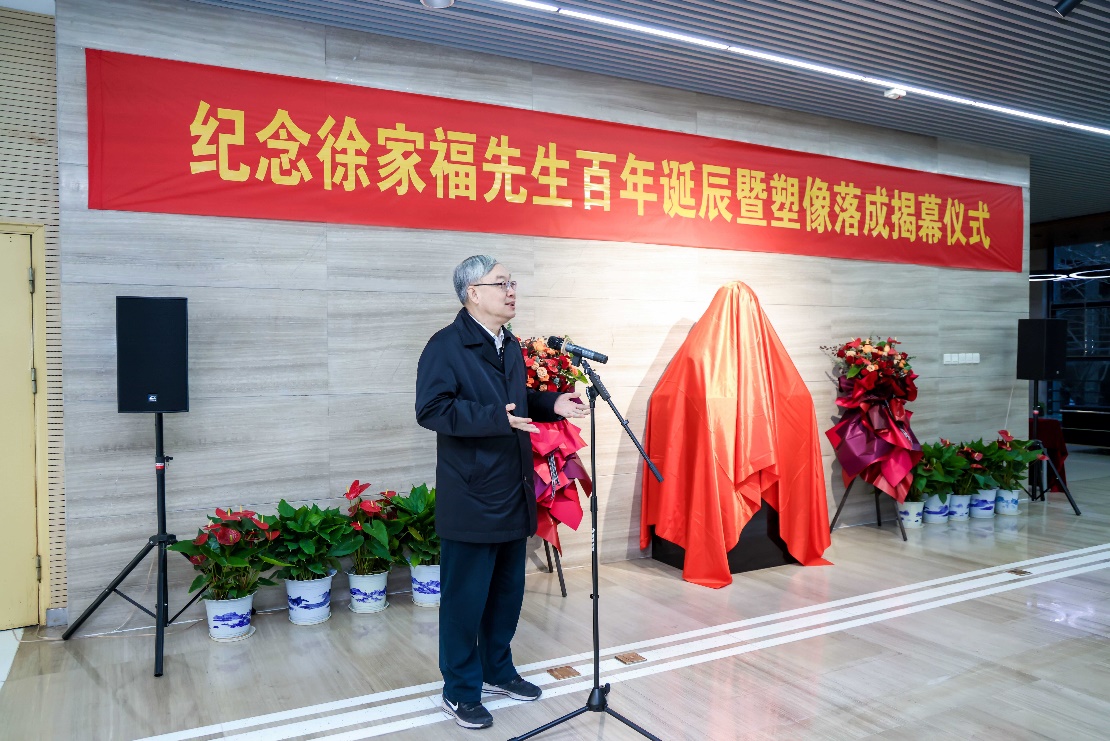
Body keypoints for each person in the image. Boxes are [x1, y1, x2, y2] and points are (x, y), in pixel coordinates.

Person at [415, 255, 590, 730]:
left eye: (513, 283)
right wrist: (496, 418)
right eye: (501, 283)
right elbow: (431, 409)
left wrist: (553, 403)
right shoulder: (446, 345)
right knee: (465, 599)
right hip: (472, 495)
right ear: (473, 293)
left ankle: (497, 669)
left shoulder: (508, 344)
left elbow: (518, 402)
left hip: (513, 489)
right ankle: (459, 690)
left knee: (507, 593)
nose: (512, 291)